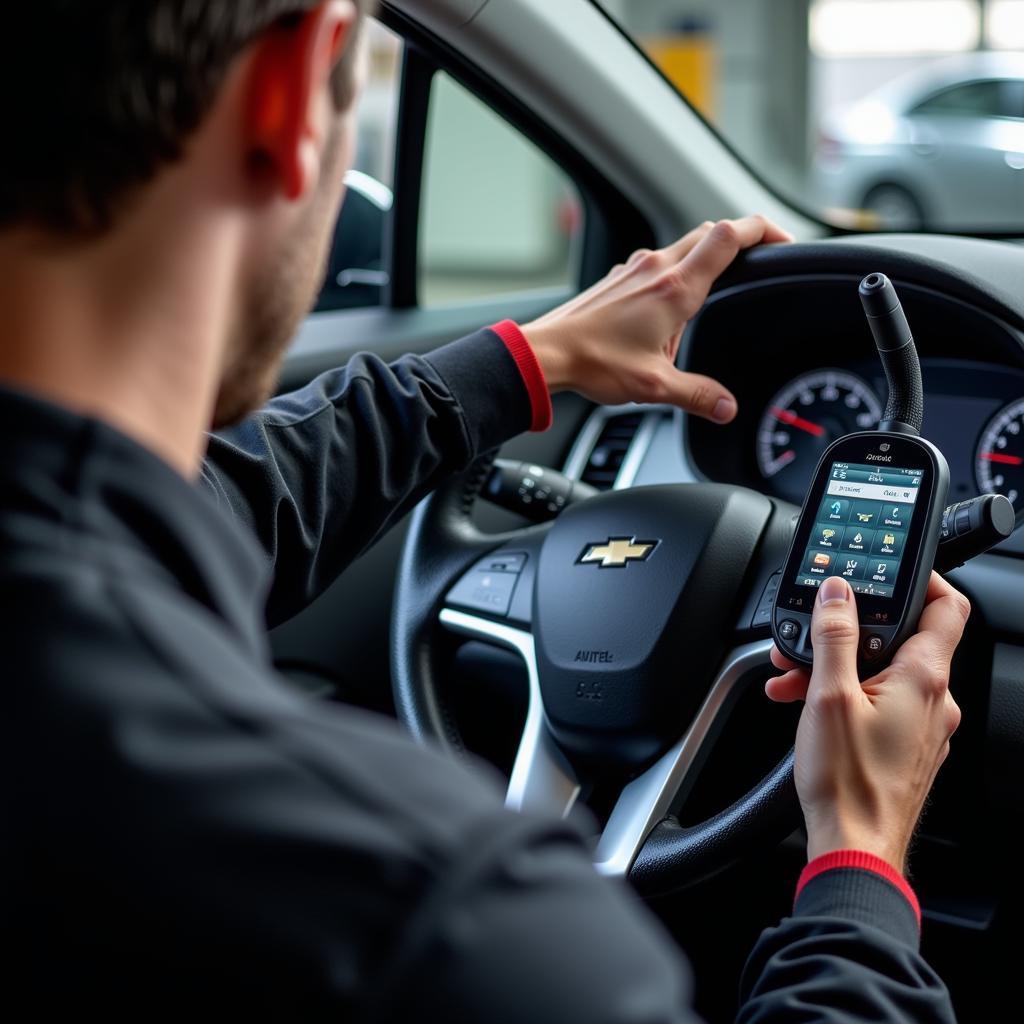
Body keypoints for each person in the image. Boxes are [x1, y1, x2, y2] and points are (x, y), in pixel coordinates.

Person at [0, 2, 967, 1020]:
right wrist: (859, 854)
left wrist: (526, 362)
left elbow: (213, 501)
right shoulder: (442, 927)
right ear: (291, 94)